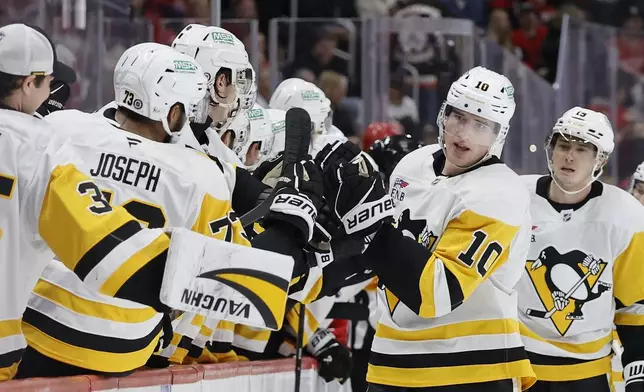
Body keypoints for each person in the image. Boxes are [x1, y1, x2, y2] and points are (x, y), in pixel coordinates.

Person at [317, 66, 536, 390]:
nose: (464, 133)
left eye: (481, 125)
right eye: (458, 117)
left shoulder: (500, 193)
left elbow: (438, 293)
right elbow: (376, 254)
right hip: (391, 361)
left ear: (498, 134)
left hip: (473, 370)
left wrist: (368, 222)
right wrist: (311, 264)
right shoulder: (413, 165)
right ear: (442, 116)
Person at [516, 107, 644, 392]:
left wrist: (637, 369)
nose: (569, 156)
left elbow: (634, 305)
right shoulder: (515, 198)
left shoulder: (625, 214)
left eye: (582, 149)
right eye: (563, 146)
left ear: (601, 159)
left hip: (589, 373)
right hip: (520, 369)